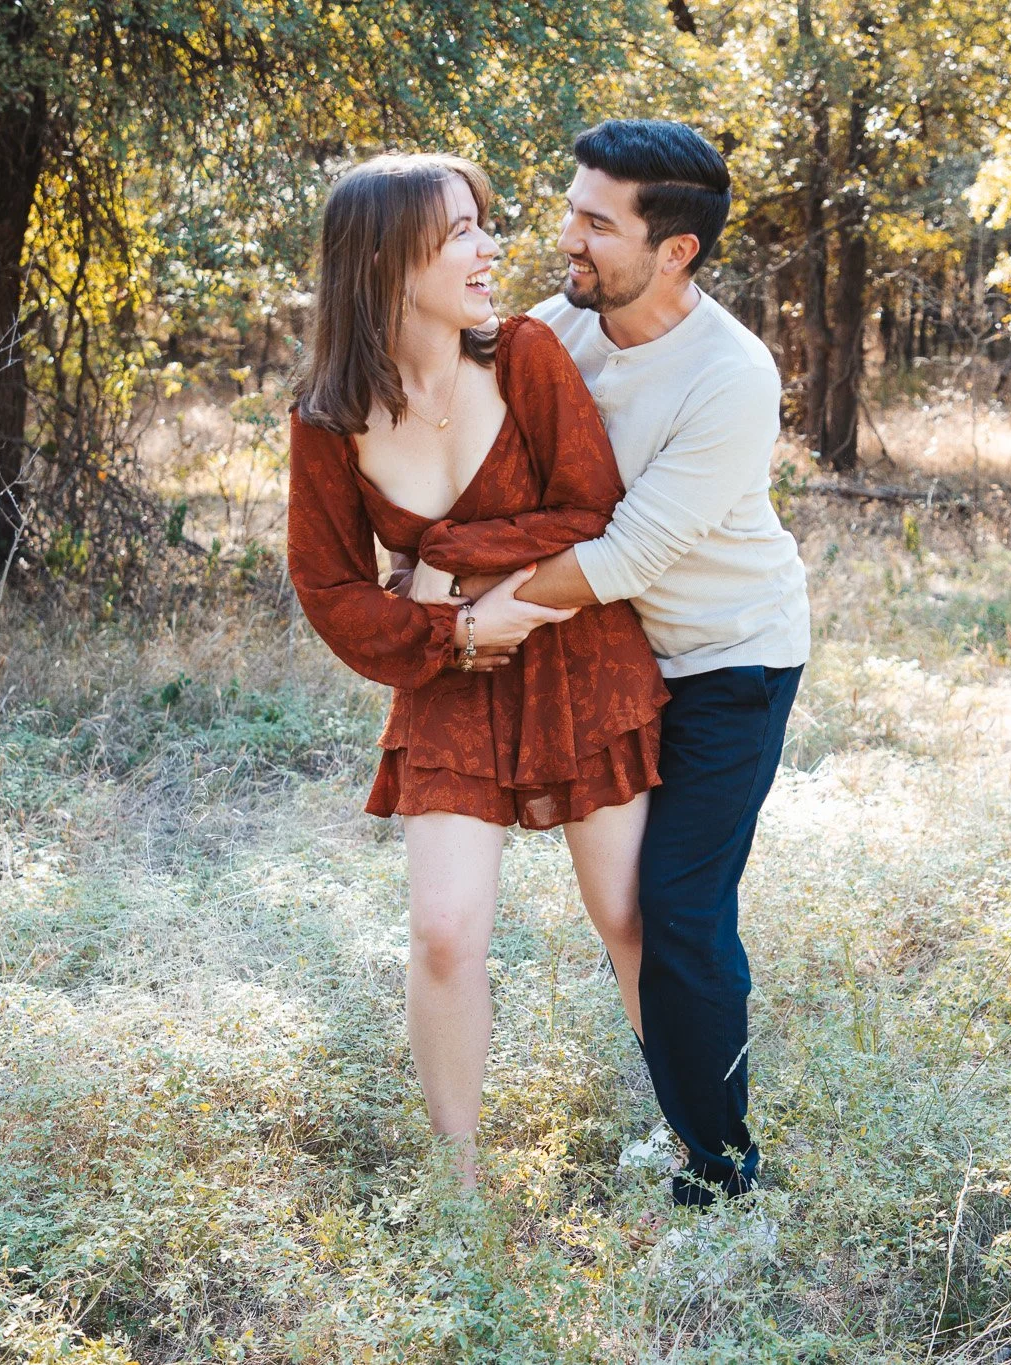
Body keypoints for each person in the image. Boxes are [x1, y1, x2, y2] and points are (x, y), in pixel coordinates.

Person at [424, 121, 811, 1206]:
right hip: (618, 657)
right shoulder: (559, 326)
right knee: (627, 914)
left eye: (597, 222)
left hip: (732, 660)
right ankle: (692, 1121)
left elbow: (627, 552)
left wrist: (483, 615)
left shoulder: (729, 376)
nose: (568, 237)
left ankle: (725, 1174)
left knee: (681, 910)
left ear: (674, 249)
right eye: (571, 209)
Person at [284, 153, 670, 1185]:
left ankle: (699, 1147)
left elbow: (592, 512)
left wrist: (448, 561)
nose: (488, 249)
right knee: (445, 935)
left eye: (480, 226)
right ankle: (458, 1196)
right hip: (446, 682)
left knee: (628, 917)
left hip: (578, 657)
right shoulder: (326, 417)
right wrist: (450, 636)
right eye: (458, 232)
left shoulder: (526, 356)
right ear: (381, 256)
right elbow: (331, 592)